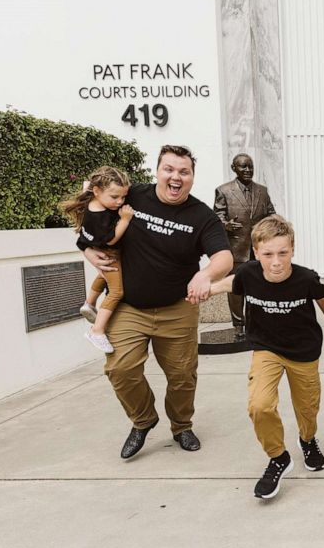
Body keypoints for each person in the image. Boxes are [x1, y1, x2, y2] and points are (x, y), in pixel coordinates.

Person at [82, 145, 233, 460]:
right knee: (120, 369)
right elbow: (93, 209)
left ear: (191, 177)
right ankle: (143, 420)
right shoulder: (133, 196)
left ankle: (181, 426)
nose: (176, 177)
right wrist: (85, 248)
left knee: (182, 375)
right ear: (157, 171)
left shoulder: (201, 216)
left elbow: (224, 256)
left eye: (184, 171)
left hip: (177, 309)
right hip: (128, 307)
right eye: (169, 169)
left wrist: (206, 275)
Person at [210, 215, 324, 500]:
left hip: (304, 352)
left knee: (307, 409)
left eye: (283, 253)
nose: (276, 261)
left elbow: (323, 298)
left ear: (293, 249)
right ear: (256, 253)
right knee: (260, 406)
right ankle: (278, 457)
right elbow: (228, 283)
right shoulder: (248, 274)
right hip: (266, 349)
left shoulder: (306, 278)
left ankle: (307, 440)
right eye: (268, 254)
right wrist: (203, 288)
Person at [60, 166, 134, 354]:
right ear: (98, 191)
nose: (119, 202)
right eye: (115, 197)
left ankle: (89, 303)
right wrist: (125, 220)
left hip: (100, 251)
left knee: (103, 276)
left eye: (123, 197)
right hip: (110, 253)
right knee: (116, 291)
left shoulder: (93, 201)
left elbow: (89, 187)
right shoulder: (99, 216)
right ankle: (97, 330)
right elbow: (111, 239)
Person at [213, 153, 276, 339]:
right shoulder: (223, 191)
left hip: (259, 250)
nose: (248, 170)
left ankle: (255, 323)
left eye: (250, 166)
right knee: (235, 289)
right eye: (243, 166)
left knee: (258, 288)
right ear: (234, 168)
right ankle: (238, 325)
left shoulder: (262, 191)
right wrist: (225, 225)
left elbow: (271, 214)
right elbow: (217, 215)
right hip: (236, 249)